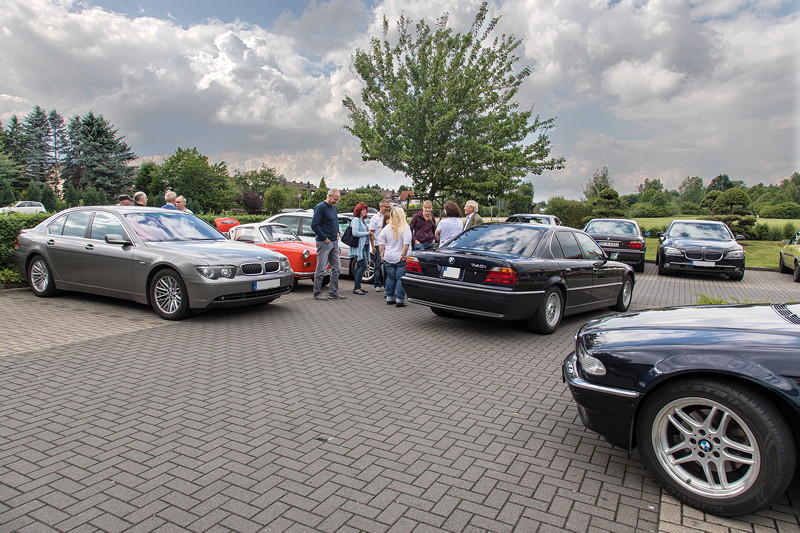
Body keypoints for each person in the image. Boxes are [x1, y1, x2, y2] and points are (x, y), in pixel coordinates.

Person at [310, 188, 345, 300]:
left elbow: (334, 221)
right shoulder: (320, 207)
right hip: (324, 242)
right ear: (329, 196)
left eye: (338, 199)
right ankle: (317, 293)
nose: (336, 201)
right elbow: (314, 225)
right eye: (335, 199)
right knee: (321, 268)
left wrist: (337, 232)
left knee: (337, 267)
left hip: (334, 241)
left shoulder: (334, 208)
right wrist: (324, 238)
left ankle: (333, 292)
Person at [378, 207, 412, 307]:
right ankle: (400, 300)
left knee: (390, 277)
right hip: (400, 257)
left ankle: (389, 297)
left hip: (388, 256)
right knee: (400, 279)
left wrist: (382, 255)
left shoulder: (387, 228)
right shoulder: (405, 227)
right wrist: (403, 254)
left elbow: (381, 243)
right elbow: (407, 243)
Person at [349, 202, 371, 295]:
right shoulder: (356, 220)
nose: (365, 211)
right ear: (358, 210)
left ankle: (358, 286)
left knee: (359, 266)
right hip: (359, 247)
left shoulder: (362, 220)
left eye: (366, 209)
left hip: (365, 246)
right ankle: (356, 288)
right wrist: (367, 233)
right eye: (363, 209)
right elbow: (355, 233)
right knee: (364, 266)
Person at [369, 199, 390, 291]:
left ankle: (386, 284)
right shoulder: (375, 218)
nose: (387, 208)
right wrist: (373, 246)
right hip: (378, 244)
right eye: (386, 206)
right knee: (377, 265)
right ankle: (377, 284)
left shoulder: (389, 217)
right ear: (381, 206)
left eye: (388, 207)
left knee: (386, 265)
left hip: (388, 245)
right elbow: (372, 233)